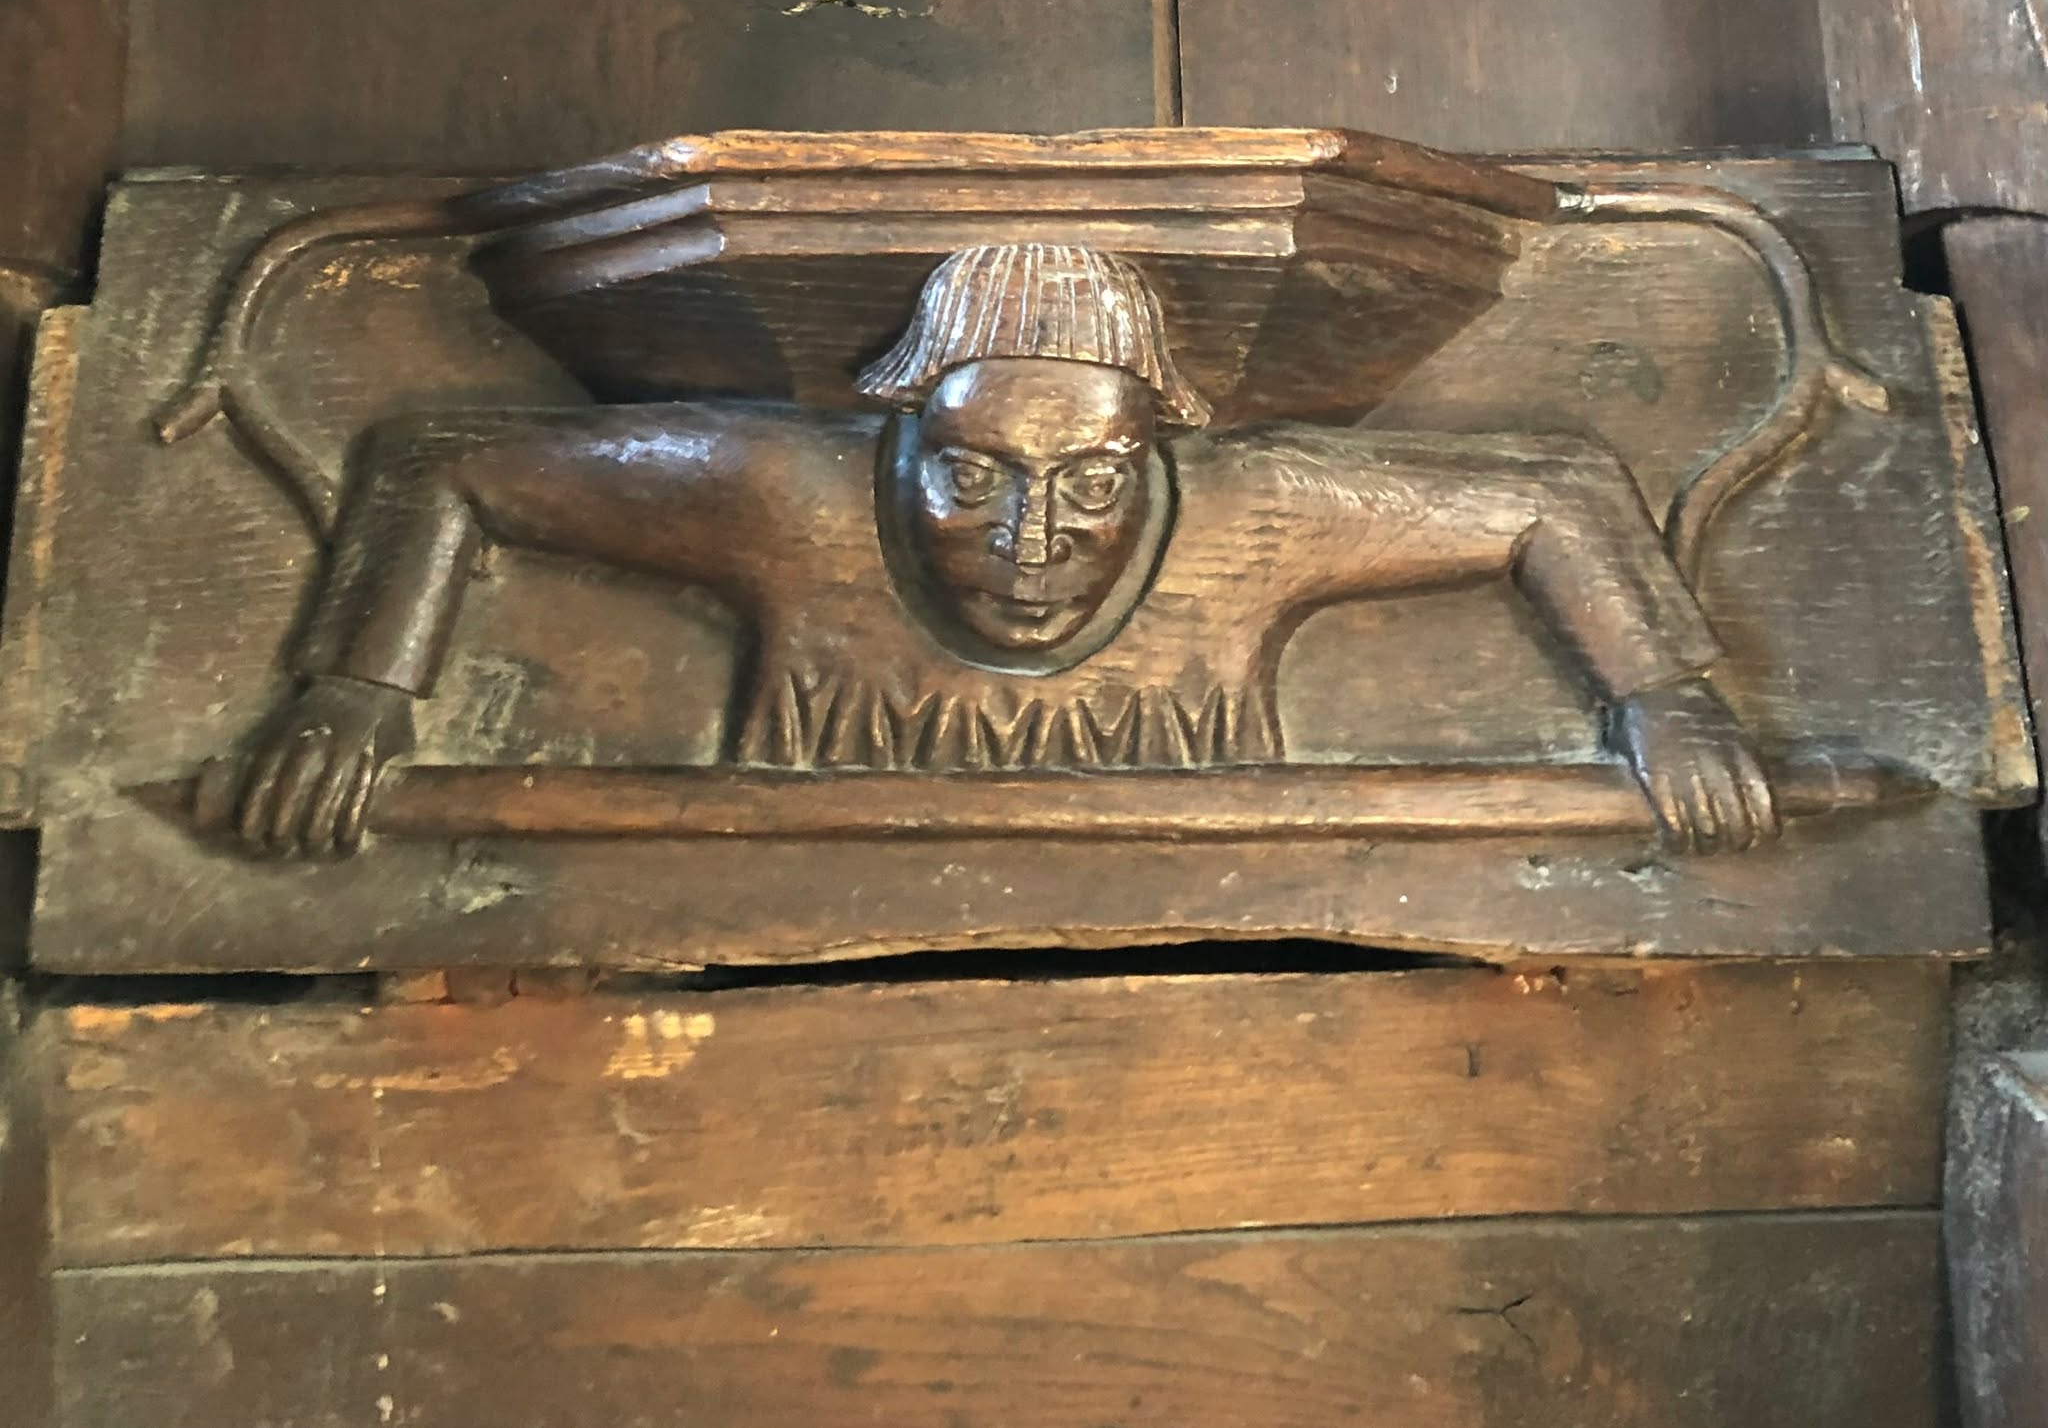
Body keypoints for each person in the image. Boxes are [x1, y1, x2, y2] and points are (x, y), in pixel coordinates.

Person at [232, 243, 1778, 857]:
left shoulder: (1257, 510)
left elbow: (1554, 490)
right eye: (973, 476)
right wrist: (353, 695)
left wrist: (1671, 702)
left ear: (1159, 456)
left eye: (1095, 483)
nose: (1035, 539)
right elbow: (449, 466)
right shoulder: (779, 495)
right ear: (891, 445)